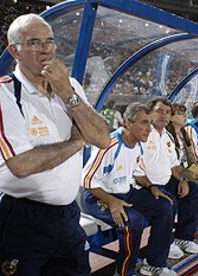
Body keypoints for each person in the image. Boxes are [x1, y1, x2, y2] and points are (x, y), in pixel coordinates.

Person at [0, 14, 110, 276]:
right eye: (34, 42)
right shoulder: (2, 91)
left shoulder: (70, 87)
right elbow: (21, 164)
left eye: (49, 41)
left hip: (67, 213)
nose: (46, 49)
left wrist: (68, 93)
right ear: (14, 50)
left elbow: (103, 138)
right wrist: (76, 141)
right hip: (18, 214)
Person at [83, 102, 176, 276]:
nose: (149, 128)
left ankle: (154, 263)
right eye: (143, 122)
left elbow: (138, 173)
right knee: (134, 222)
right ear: (128, 123)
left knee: (164, 205)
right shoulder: (109, 145)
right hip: (98, 196)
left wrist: (152, 187)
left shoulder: (138, 144)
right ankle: (125, 272)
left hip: (125, 192)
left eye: (149, 122)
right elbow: (87, 180)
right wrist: (112, 201)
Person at [144, 97, 198, 260]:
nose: (164, 115)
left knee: (194, 190)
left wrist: (183, 179)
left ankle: (184, 237)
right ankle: (166, 242)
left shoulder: (168, 136)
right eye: (159, 111)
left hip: (167, 179)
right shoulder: (144, 133)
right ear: (150, 113)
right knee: (170, 202)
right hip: (147, 183)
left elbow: (175, 166)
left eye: (167, 112)